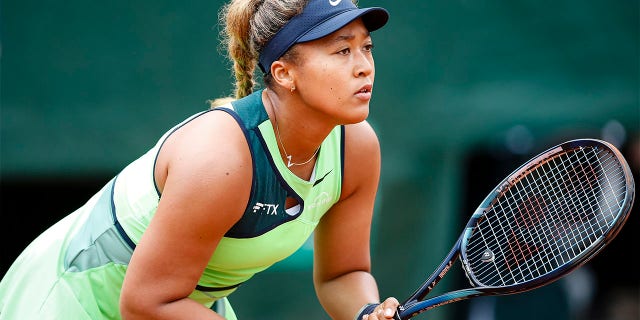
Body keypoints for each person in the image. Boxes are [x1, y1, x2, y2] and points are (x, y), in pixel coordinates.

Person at [0, 0, 400, 319]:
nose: (364, 67)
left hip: (181, 303)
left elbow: (342, 275)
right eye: (342, 50)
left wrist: (364, 312)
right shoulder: (220, 159)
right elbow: (146, 303)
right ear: (283, 73)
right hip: (75, 300)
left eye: (367, 47)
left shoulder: (357, 149)